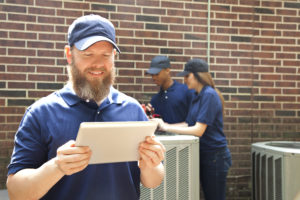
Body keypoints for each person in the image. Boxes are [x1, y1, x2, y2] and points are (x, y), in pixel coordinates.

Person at [6, 14, 165, 200]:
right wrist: (57, 166)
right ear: (68, 54)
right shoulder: (41, 113)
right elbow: (16, 192)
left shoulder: (132, 109)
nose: (98, 64)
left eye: (105, 55)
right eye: (88, 54)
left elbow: (152, 181)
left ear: (114, 56)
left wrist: (151, 164)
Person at [153, 58, 232, 200]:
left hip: (214, 157)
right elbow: (188, 124)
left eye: (187, 76)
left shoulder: (209, 94)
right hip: (203, 154)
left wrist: (166, 127)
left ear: (198, 76)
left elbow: (198, 130)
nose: (185, 80)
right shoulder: (197, 95)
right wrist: (163, 125)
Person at [146, 55, 194, 124]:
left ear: (167, 70)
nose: (153, 77)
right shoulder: (155, 100)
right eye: (152, 74)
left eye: (156, 74)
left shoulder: (186, 91)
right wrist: (149, 116)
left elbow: (194, 121)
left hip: (187, 134)